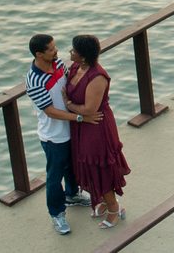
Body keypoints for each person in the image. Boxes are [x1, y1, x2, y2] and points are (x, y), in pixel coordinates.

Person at [25, 34, 101, 235]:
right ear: (39, 54)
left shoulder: (58, 64)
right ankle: (56, 213)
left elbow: (70, 83)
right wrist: (79, 118)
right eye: (51, 49)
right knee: (54, 175)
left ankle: (72, 194)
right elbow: (49, 111)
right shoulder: (34, 80)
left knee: (72, 166)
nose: (56, 51)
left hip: (71, 130)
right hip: (54, 136)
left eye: (55, 47)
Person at [64, 34, 132, 229]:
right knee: (85, 162)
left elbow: (89, 110)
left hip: (96, 126)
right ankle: (102, 201)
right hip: (80, 125)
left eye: (74, 51)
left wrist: (68, 103)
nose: (70, 52)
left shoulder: (97, 76)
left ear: (83, 56)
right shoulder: (75, 68)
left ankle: (114, 208)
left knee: (99, 166)